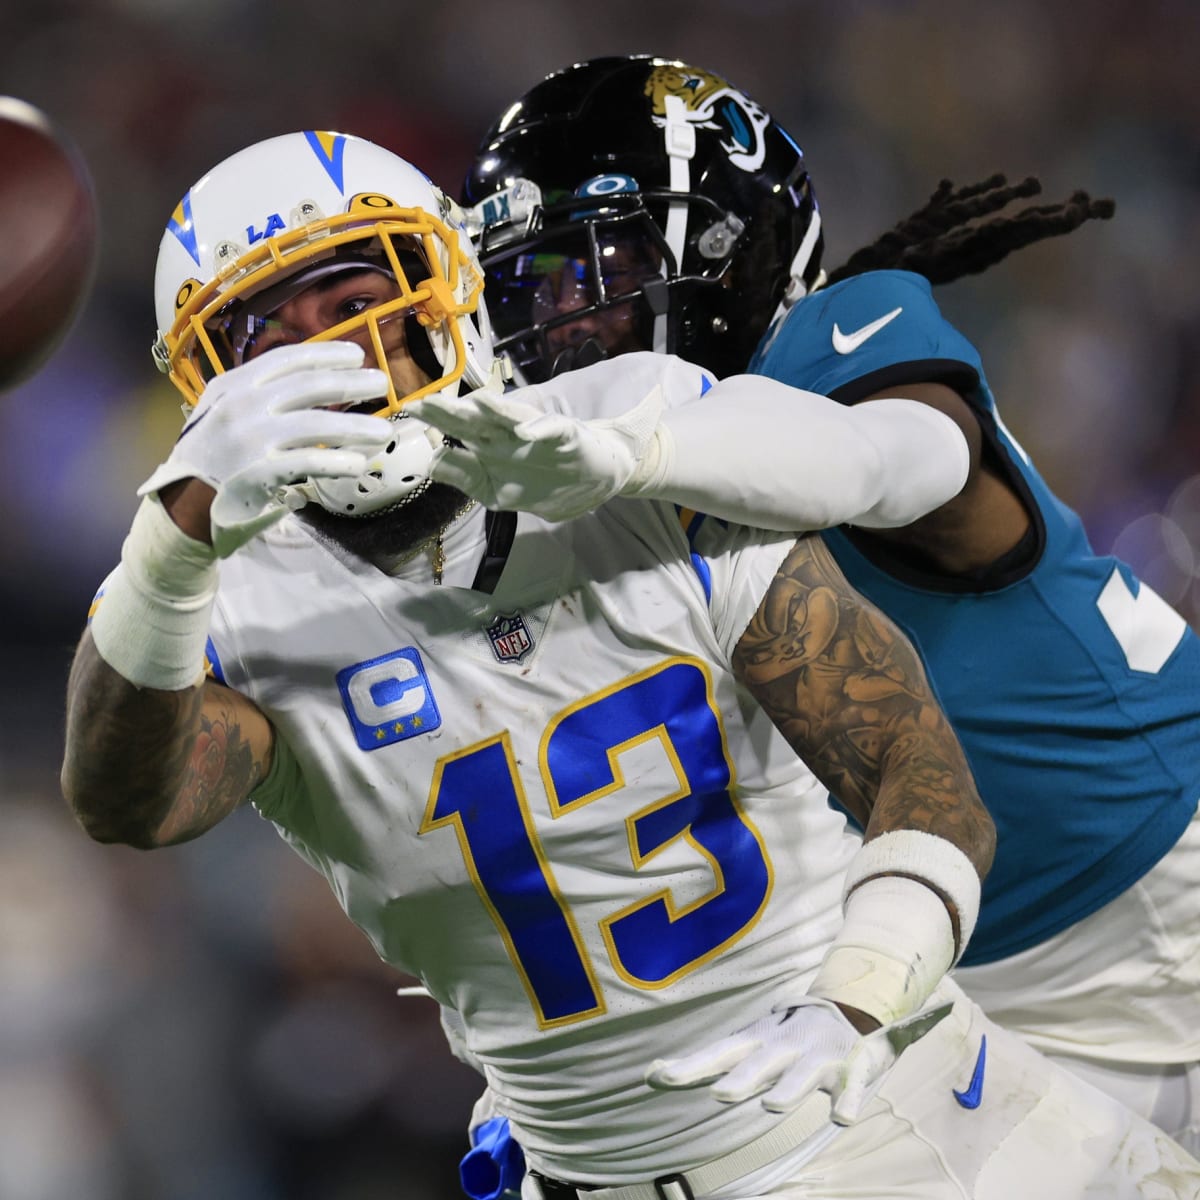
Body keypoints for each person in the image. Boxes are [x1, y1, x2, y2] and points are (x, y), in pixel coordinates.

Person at [57, 129, 1200, 1198]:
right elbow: (126, 800)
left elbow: (919, 769)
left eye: (360, 301)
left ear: (443, 291)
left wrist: (856, 1001)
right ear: (211, 391)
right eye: (273, 341)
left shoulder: (633, 434)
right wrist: (173, 537)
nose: (335, 358)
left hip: (891, 1119)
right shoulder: (225, 596)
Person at [458, 54, 1200, 1157]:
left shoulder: (838, 344)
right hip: (938, 956)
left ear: (724, 246)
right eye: (532, 283)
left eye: (596, 264)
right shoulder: (604, 499)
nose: (561, 316)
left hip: (1146, 909)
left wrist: (631, 449)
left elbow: (870, 462)